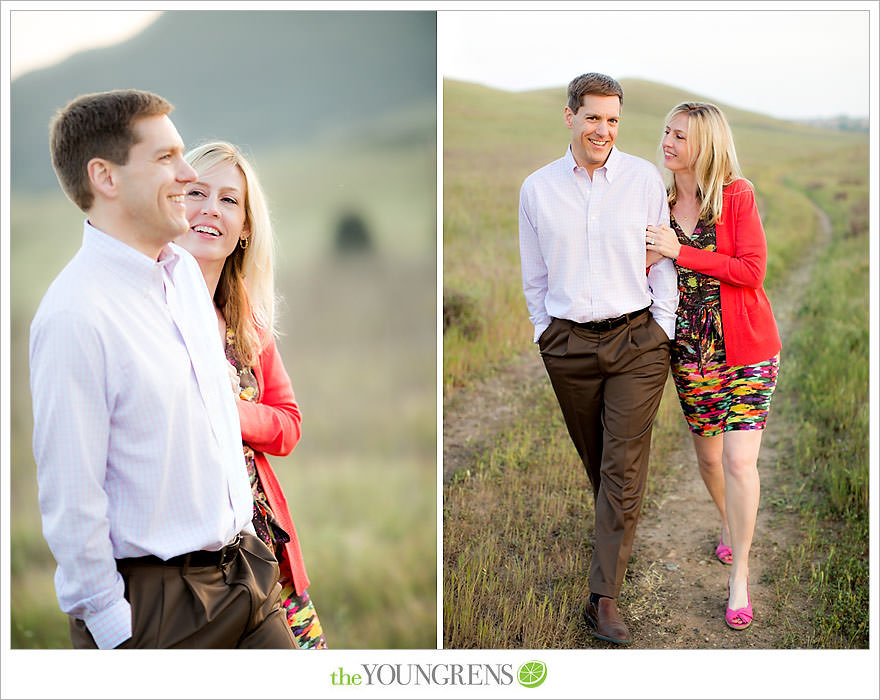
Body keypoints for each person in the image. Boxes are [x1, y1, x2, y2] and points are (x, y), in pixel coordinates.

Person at [29, 89, 297, 649]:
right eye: (166, 159)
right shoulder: (76, 314)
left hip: (245, 578)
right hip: (158, 606)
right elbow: (71, 499)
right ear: (105, 178)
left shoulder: (182, 278)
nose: (184, 174)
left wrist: (249, 545)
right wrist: (115, 630)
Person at [518, 73, 679, 645]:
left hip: (637, 342)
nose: (603, 130)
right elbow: (534, 276)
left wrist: (661, 328)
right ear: (569, 117)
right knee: (601, 462)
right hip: (568, 346)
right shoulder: (537, 189)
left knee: (621, 465)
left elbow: (661, 261)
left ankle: (602, 598)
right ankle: (619, 526)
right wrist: (545, 334)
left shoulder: (643, 179)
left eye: (612, 120)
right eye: (592, 118)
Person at [177, 141, 327, 648]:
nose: (209, 209)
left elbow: (288, 424)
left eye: (228, 200)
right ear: (173, 204)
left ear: (245, 229)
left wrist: (228, 409)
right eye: (196, 192)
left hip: (263, 547)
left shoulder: (245, 318)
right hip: (185, 560)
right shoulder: (147, 310)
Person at [646, 101, 781, 630]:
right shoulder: (654, 202)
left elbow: (751, 269)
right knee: (708, 460)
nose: (668, 142)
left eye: (680, 135)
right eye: (666, 131)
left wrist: (681, 251)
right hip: (691, 351)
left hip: (747, 348)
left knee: (739, 462)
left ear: (704, 144)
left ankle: (740, 573)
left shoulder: (736, 195)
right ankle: (730, 524)